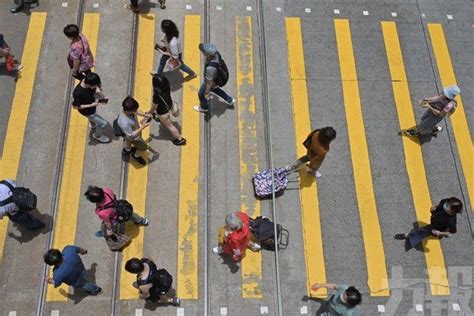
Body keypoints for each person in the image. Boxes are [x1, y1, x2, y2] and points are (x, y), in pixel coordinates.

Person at [394, 197, 463, 248]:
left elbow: (451, 232)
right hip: (434, 218)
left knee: (423, 230)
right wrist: (433, 208)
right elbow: (439, 204)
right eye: (447, 204)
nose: (445, 205)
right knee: (428, 229)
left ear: (453, 211)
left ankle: (407, 235)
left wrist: (440, 233)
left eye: (448, 206)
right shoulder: (445, 202)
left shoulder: (451, 221)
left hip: (437, 228)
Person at [84, 185, 149, 238]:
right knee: (131, 215)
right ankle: (142, 221)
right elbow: (114, 195)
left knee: (104, 226)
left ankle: (104, 233)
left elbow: (108, 222)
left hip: (115, 217)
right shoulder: (107, 191)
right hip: (121, 208)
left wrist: (109, 230)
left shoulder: (102, 212)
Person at [194, 43, 235, 113]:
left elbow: (209, 82)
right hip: (215, 78)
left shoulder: (210, 68)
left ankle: (204, 107)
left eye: (204, 52)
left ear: (208, 55)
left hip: (211, 80)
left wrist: (206, 93)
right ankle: (230, 100)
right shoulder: (216, 54)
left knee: (201, 94)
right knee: (215, 90)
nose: (202, 52)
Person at [72, 72, 111, 143]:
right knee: (103, 123)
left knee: (93, 118)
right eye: (94, 86)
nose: (96, 87)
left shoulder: (85, 79)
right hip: (88, 111)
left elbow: (95, 88)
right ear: (88, 85)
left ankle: (93, 125)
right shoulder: (77, 93)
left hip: (91, 106)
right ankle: (97, 136)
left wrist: (98, 90)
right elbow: (75, 106)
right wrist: (91, 105)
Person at [148, 75, 186, 146]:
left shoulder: (157, 95)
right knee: (166, 120)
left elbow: (154, 107)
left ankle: (180, 139)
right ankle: (158, 118)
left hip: (163, 113)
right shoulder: (167, 86)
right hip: (169, 105)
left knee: (170, 126)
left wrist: (149, 112)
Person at [117, 96, 153, 165]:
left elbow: (136, 110)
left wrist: (144, 115)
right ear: (129, 111)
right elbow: (131, 135)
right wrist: (143, 127)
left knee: (128, 140)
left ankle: (127, 150)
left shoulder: (124, 107)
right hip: (133, 135)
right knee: (143, 147)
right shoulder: (124, 122)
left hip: (126, 132)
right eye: (134, 110)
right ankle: (136, 156)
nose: (136, 111)